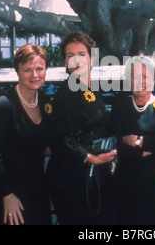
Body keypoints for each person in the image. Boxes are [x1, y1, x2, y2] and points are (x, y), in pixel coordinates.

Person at [46, 32, 117, 225]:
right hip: (71, 178)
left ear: (91, 57)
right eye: (70, 56)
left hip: (91, 175)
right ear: (64, 60)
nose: (76, 60)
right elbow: (59, 137)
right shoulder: (68, 90)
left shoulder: (88, 87)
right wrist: (90, 158)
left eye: (81, 54)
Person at [0, 44, 52, 225]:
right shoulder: (4, 105)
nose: (35, 75)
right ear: (18, 72)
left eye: (39, 68)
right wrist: (7, 196)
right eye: (27, 70)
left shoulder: (46, 102)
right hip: (11, 196)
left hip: (39, 190)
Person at [112, 56, 155, 225]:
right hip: (126, 186)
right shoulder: (119, 107)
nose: (140, 82)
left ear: (154, 79)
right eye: (135, 77)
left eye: (146, 76)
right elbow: (117, 146)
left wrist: (138, 141)